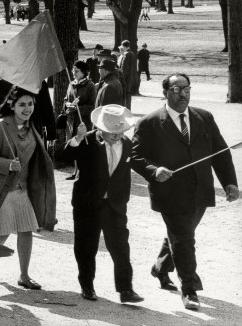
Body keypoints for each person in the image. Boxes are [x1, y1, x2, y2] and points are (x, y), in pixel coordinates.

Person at [131, 73, 239, 310]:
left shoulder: (204, 117)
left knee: (181, 236)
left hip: (200, 191)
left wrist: (230, 182)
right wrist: (154, 169)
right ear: (165, 93)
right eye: (177, 89)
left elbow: (220, 152)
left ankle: (160, 268)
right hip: (168, 193)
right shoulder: (149, 122)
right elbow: (135, 156)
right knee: (184, 239)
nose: (183, 94)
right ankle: (189, 289)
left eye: (186, 89)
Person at [0, 87, 56, 290]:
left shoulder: (33, 126)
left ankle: (24, 275)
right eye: (22, 104)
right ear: (12, 105)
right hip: (3, 188)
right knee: (2, 231)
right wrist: (8, 164)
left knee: (27, 230)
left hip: (24, 189)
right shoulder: (0, 126)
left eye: (30, 104)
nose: (27, 108)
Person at [58, 104, 144, 304]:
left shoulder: (127, 144)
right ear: (100, 128)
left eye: (120, 131)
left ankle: (126, 290)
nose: (116, 135)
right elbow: (61, 157)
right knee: (87, 247)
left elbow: (130, 169)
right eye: (112, 132)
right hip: (88, 204)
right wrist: (76, 139)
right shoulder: (87, 140)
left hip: (114, 205)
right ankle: (87, 285)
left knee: (121, 247)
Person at [63, 61, 97, 180]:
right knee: (74, 144)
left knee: (83, 145)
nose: (74, 72)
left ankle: (83, 171)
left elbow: (93, 106)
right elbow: (66, 99)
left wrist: (77, 109)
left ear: (84, 73)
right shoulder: (71, 84)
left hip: (83, 122)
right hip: (71, 122)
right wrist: (67, 106)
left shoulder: (90, 86)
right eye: (73, 70)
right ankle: (75, 170)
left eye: (76, 70)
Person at [118, 40, 136, 108]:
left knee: (124, 96)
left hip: (126, 79)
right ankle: (128, 109)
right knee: (128, 96)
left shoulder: (126, 54)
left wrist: (121, 78)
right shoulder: (132, 53)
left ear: (123, 46)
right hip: (130, 78)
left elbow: (124, 67)